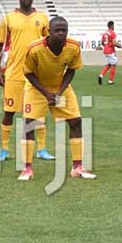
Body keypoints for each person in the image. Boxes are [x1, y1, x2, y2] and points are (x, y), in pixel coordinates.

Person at [20, 16, 95, 181]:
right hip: (36, 89)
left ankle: (77, 167)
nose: (61, 33)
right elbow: (28, 72)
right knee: (29, 124)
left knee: (76, 121)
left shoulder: (74, 47)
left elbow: (72, 69)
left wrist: (59, 91)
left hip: (60, 88)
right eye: (57, 30)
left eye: (64, 30)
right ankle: (27, 169)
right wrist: (46, 93)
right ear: (49, 31)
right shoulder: (34, 49)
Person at [0, 0, 52, 162]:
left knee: (37, 112)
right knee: (8, 112)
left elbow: (48, 44)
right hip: (14, 73)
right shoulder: (8, 19)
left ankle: (42, 149)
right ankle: (4, 149)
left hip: (36, 74)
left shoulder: (42, 17)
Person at [97, 21, 122, 85]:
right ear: (111, 26)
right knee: (114, 64)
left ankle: (101, 75)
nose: (114, 27)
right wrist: (120, 46)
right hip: (111, 51)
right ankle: (110, 80)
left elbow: (102, 43)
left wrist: (106, 46)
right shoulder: (113, 33)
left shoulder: (104, 34)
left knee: (109, 64)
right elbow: (114, 43)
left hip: (106, 50)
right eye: (113, 25)